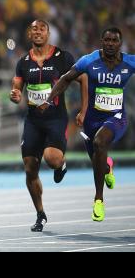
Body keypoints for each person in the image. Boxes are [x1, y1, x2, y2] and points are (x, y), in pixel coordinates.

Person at [39, 27, 135, 222]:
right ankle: (107, 167)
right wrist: (49, 100)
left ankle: (98, 200)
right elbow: (66, 79)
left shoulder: (129, 62)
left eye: (114, 40)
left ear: (120, 43)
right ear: (101, 41)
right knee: (97, 159)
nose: (110, 44)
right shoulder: (89, 61)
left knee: (100, 142)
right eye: (106, 40)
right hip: (92, 119)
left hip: (117, 118)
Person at [10, 19, 88, 232]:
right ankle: (40, 214)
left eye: (42, 29)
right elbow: (17, 89)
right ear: (29, 34)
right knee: (29, 168)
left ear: (48, 33)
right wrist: (15, 95)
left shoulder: (62, 57)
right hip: (33, 120)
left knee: (51, 159)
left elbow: (83, 80)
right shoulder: (23, 62)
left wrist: (83, 110)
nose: (38, 32)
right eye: (34, 29)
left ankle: (61, 164)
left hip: (56, 118)